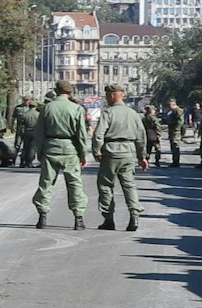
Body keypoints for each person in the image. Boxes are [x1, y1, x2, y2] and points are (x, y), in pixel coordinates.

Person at [32, 81, 90, 229]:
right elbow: (81, 134)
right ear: (70, 93)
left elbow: (39, 133)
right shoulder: (76, 108)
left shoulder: (46, 108)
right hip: (70, 150)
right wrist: (83, 154)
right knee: (74, 183)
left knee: (46, 183)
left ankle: (42, 216)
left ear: (56, 91)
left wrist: (40, 152)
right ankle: (79, 218)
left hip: (51, 148)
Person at [91, 86, 147, 231]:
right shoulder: (133, 114)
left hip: (111, 152)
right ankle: (134, 215)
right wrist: (142, 157)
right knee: (129, 185)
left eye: (108, 95)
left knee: (106, 186)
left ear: (114, 95)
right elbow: (141, 136)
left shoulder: (108, 113)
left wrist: (97, 151)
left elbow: (99, 134)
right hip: (128, 153)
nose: (106, 98)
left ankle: (109, 219)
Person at [13, 98, 41, 167]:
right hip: (35, 132)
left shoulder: (25, 114)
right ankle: (30, 161)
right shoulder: (38, 114)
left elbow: (21, 124)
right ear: (35, 106)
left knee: (26, 147)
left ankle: (23, 161)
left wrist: (19, 132)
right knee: (33, 148)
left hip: (26, 132)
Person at [162, 101, 184, 167]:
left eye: (169, 105)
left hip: (175, 132)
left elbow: (180, 121)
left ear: (173, 105)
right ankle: (174, 161)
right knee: (173, 146)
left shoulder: (178, 110)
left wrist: (176, 129)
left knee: (175, 145)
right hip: (172, 131)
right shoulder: (173, 111)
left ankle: (176, 162)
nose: (168, 107)